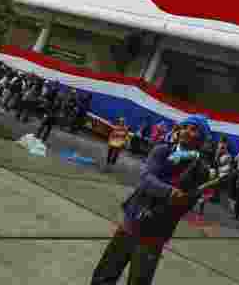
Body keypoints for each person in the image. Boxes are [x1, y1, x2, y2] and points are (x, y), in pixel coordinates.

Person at [90, 115, 213, 285]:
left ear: (202, 138)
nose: (187, 132)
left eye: (194, 129)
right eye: (186, 127)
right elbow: (146, 179)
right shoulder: (162, 150)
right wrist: (169, 191)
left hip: (156, 232)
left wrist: (181, 198)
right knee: (104, 275)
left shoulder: (201, 170)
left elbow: (184, 206)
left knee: (139, 280)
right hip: (132, 221)